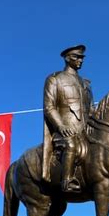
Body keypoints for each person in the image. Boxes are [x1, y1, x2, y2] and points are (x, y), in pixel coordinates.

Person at [42, 45, 93, 193]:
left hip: (86, 132)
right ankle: (67, 181)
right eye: (76, 57)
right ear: (67, 58)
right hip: (64, 133)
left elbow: (91, 109)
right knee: (71, 145)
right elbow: (49, 107)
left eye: (82, 57)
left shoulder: (86, 84)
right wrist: (61, 126)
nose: (80, 60)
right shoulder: (55, 79)